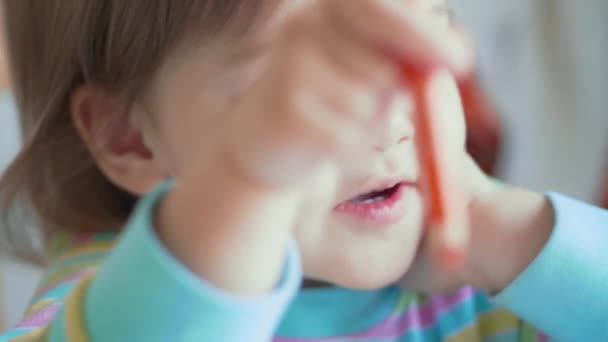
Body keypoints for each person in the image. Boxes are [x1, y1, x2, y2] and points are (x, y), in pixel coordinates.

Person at [0, 0, 606, 341]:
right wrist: (251, 183)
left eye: (408, 55)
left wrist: (516, 238)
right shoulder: (107, 300)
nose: (386, 121)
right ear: (129, 139)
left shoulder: (497, 263)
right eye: (294, 92)